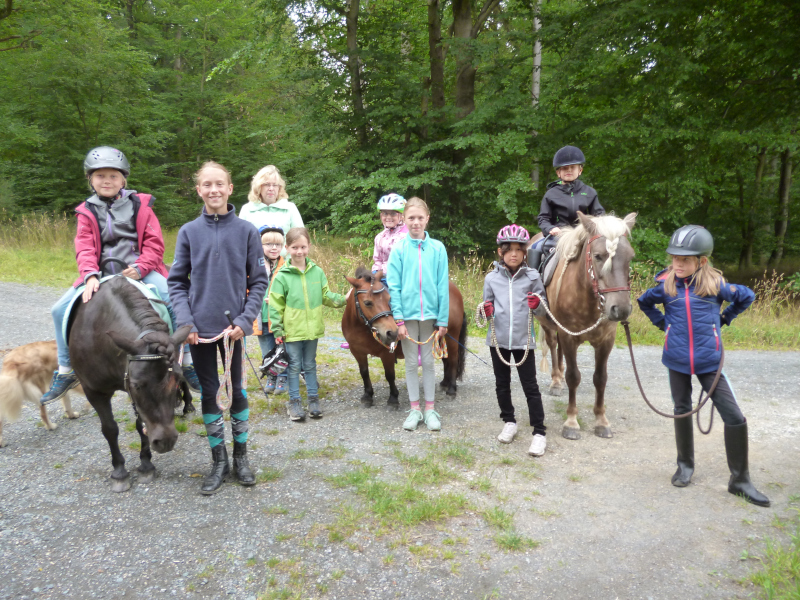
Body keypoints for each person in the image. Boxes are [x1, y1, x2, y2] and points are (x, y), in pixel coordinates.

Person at [40, 146, 200, 405]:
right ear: (90, 180)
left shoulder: (141, 205)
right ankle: (67, 370)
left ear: (123, 179)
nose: (107, 181)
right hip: (101, 274)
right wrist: (90, 274)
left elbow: (155, 243)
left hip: (140, 272)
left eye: (113, 176)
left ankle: (188, 362)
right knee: (59, 309)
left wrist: (140, 267)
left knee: (176, 300)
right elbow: (84, 247)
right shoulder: (86, 211)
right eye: (100, 176)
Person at [637, 225, 769, 507]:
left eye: (685, 259)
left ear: (702, 261)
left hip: (710, 362)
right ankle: (685, 466)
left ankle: (740, 480)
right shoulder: (665, 285)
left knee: (734, 416)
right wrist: (663, 325)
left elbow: (746, 296)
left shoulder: (715, 285)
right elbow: (643, 302)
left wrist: (723, 320)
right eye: (674, 258)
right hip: (676, 361)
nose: (678, 264)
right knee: (681, 409)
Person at [168, 161, 268, 495]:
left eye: (219, 184)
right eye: (206, 185)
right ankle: (218, 460)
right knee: (210, 392)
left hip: (233, 331)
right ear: (199, 189)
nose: (213, 190)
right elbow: (177, 283)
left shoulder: (246, 231)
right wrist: (186, 322)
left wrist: (244, 320)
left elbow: (259, 282)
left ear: (230, 188)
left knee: (236, 389)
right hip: (200, 331)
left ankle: (241, 456)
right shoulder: (188, 232)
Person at [481, 225, 548, 456]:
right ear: (500, 252)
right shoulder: (491, 278)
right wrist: (485, 311)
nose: (513, 254)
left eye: (519, 250)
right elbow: (484, 310)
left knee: (530, 386)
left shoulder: (533, 276)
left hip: (523, 342)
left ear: (525, 253)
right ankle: (509, 421)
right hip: (497, 341)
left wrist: (537, 305)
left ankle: (539, 432)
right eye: (508, 249)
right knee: (502, 384)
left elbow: (543, 311)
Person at [268, 227, 346, 421]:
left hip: (312, 331)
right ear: (287, 248)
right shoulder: (282, 276)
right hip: (292, 331)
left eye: (303, 247)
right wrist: (277, 328)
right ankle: (293, 402)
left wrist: (344, 298)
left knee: (310, 365)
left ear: (309, 247)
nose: (299, 251)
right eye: (295, 247)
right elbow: (275, 305)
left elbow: (326, 295)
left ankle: (313, 401)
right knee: (294, 366)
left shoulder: (317, 272)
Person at [386, 197, 449, 432]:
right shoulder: (399, 249)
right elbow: (394, 286)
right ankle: (414, 409)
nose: (415, 222)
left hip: (432, 317)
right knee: (411, 363)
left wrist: (443, 319)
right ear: (404, 219)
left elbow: (442, 285)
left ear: (427, 219)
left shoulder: (438, 248)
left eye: (420, 218)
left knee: (430, 363)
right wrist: (399, 320)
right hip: (409, 318)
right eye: (411, 218)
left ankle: (430, 409)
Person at [529, 145, 605, 270]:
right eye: (564, 168)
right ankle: (534, 283)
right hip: (559, 237)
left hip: (583, 236)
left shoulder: (590, 193)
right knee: (536, 248)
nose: (568, 170)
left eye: (572, 167)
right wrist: (550, 229)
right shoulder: (551, 194)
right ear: (558, 172)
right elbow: (543, 218)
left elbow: (599, 216)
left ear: (580, 170)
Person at [254, 224, 287, 393]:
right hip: (262, 317)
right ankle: (271, 376)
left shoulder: (286, 266)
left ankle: (283, 377)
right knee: (267, 350)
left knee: (283, 349)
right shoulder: (254, 266)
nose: (274, 248)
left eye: (278, 245)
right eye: (269, 244)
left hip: (280, 318)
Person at [239, 165, 304, 244]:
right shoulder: (247, 209)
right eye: (267, 185)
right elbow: (240, 240)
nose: (271, 188)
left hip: (286, 256)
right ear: (258, 187)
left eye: (274, 185)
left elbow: (301, 238)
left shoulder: (290, 208)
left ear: (279, 187)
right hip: (256, 256)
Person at [371, 193, 408, 279]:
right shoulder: (379, 237)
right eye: (385, 213)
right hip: (381, 276)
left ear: (402, 216)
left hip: (401, 278)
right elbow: (378, 260)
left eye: (393, 214)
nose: (388, 217)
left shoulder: (407, 237)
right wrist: (375, 273)